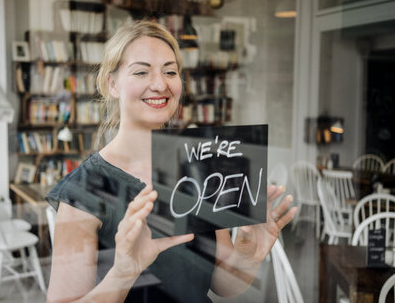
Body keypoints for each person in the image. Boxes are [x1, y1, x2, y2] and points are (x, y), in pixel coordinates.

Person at [45, 20, 297, 303]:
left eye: (170, 71)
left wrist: (248, 255)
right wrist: (124, 273)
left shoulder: (202, 167)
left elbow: (223, 285)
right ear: (112, 84)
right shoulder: (84, 190)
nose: (160, 84)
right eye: (141, 71)